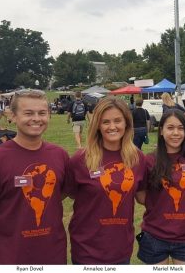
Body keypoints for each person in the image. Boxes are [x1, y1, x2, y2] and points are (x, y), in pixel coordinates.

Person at [0, 90, 69, 264]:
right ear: (12, 116)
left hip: (53, 256)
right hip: (10, 256)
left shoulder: (60, 155)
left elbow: (62, 193)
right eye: (28, 113)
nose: (36, 118)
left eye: (42, 113)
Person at [66, 97, 147, 264]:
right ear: (97, 125)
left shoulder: (137, 158)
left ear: (126, 123)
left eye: (117, 121)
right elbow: (72, 194)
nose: (112, 127)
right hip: (87, 250)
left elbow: (143, 195)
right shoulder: (80, 160)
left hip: (121, 249)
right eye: (106, 122)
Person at [136, 109, 185, 265]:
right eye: (170, 128)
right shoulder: (149, 161)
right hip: (154, 235)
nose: (176, 133)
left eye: (181, 128)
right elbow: (140, 196)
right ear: (161, 131)